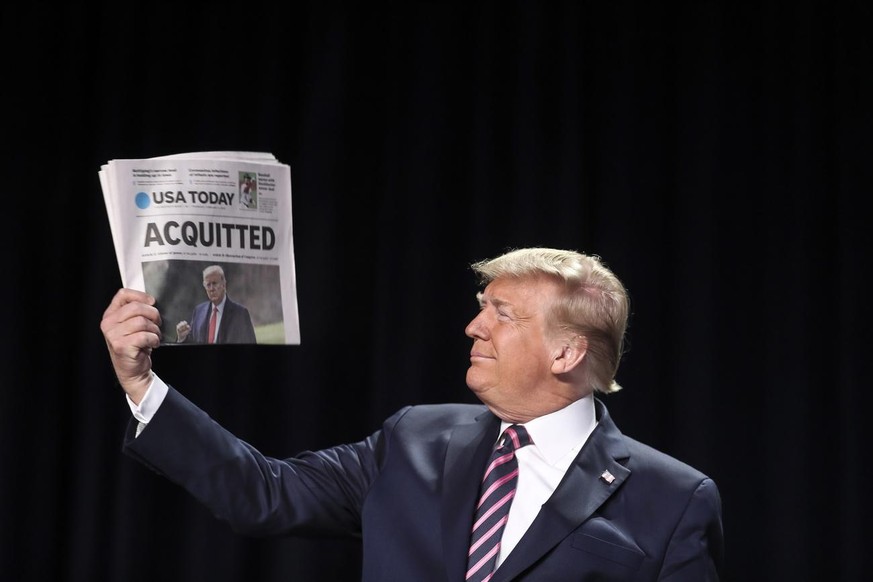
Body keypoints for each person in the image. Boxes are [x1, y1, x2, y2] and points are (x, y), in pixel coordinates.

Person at [101, 247, 724, 581]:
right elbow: (264, 492)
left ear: (566, 351)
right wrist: (140, 381)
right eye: (482, 307)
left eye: (502, 313)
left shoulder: (673, 498)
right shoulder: (416, 438)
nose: (473, 326)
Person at [175, 264, 256, 344]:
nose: (211, 289)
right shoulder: (198, 312)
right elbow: (192, 344)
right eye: (208, 285)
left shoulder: (240, 314)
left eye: (214, 283)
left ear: (224, 285)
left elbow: (251, 347)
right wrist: (182, 338)